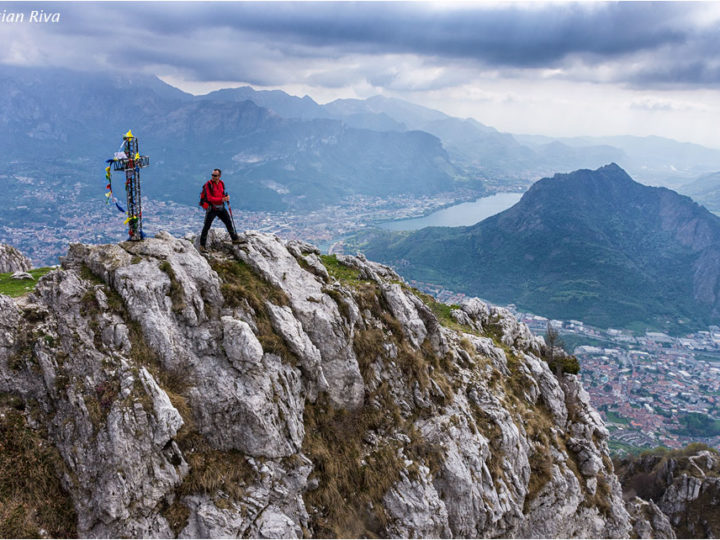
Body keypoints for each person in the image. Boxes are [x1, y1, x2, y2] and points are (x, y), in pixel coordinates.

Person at [198, 168, 241, 251]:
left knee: (228, 222)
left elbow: (221, 193)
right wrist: (222, 200)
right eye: (212, 175)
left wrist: (225, 197)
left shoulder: (221, 183)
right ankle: (202, 245)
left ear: (219, 176)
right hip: (212, 208)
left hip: (221, 207)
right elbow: (209, 198)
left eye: (215, 175)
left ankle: (234, 239)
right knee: (206, 226)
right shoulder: (208, 185)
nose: (213, 177)